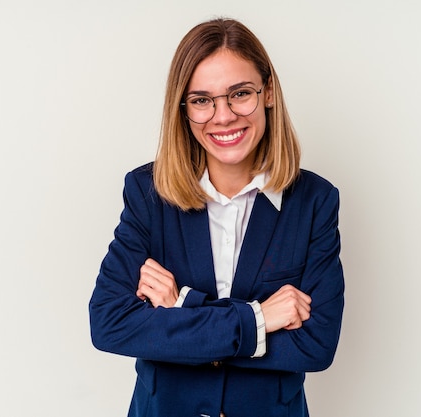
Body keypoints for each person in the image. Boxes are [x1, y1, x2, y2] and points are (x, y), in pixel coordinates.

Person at [89, 18, 345, 417]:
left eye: (239, 94)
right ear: (184, 109)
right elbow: (111, 324)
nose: (223, 116)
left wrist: (182, 307)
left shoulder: (314, 202)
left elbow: (315, 345)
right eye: (202, 100)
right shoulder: (147, 194)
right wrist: (261, 317)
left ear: (269, 92)